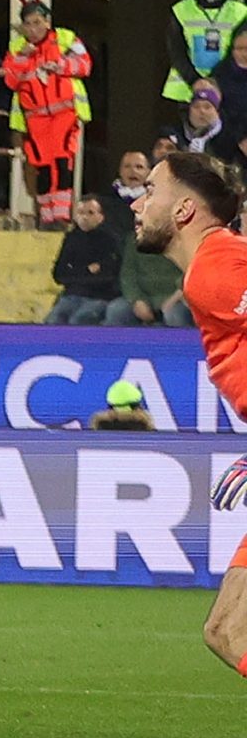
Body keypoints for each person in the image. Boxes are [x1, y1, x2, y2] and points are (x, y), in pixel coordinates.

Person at [139, 155, 247, 674]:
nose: (138, 203)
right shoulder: (212, 268)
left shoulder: (214, 269)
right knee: (227, 630)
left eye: (149, 190)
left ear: (184, 209)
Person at [4, 0, 89, 230]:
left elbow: (85, 65)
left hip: (64, 113)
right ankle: (47, 216)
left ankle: (60, 216)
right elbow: (11, 79)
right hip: (36, 118)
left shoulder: (66, 38)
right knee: (40, 165)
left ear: (47, 21)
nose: (33, 29)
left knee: (62, 163)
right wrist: (24, 57)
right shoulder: (17, 47)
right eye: (28, 24)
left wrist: (59, 65)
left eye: (37, 23)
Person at [167, 0, 247, 105]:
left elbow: (241, 51)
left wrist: (216, 80)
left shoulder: (240, 11)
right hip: (188, 90)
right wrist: (195, 81)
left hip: (228, 89)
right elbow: (176, 50)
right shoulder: (181, 9)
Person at [45, 194, 121, 325]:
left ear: (101, 217)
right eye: (80, 213)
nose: (85, 217)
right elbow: (58, 274)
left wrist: (74, 272)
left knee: (79, 321)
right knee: (52, 321)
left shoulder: (110, 240)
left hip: (99, 298)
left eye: (90, 213)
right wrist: (87, 270)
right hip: (71, 295)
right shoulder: (71, 238)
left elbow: (108, 276)